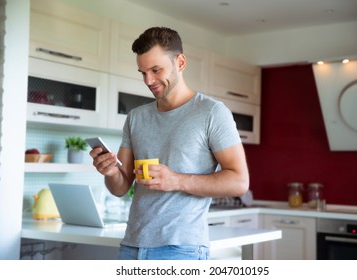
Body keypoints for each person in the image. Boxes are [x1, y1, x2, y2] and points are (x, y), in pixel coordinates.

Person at [89, 27, 249, 260]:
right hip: (132, 246)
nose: (148, 80)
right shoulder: (136, 117)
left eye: (156, 70)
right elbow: (120, 187)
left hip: (182, 249)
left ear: (180, 62)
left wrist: (175, 180)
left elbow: (239, 181)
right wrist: (110, 171)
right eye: (143, 73)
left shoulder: (212, 113)